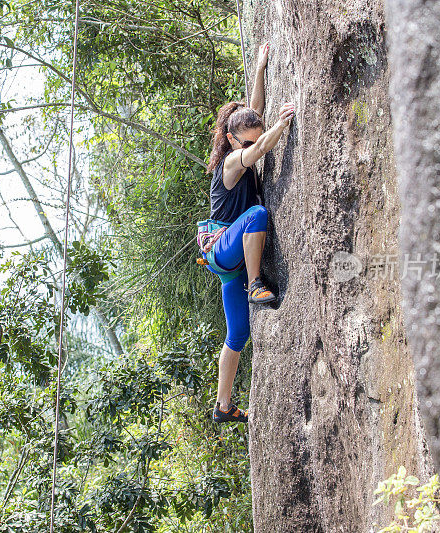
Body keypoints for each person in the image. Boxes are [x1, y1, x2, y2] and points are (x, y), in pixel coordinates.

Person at [199, 41, 295, 423]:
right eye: (249, 139)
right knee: (256, 213)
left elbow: (252, 115)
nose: (255, 143)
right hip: (224, 247)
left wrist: (259, 68)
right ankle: (257, 283)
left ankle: (223, 406)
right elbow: (255, 150)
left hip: (229, 260)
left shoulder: (243, 135)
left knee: (238, 333)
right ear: (235, 141)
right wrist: (280, 127)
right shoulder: (231, 163)